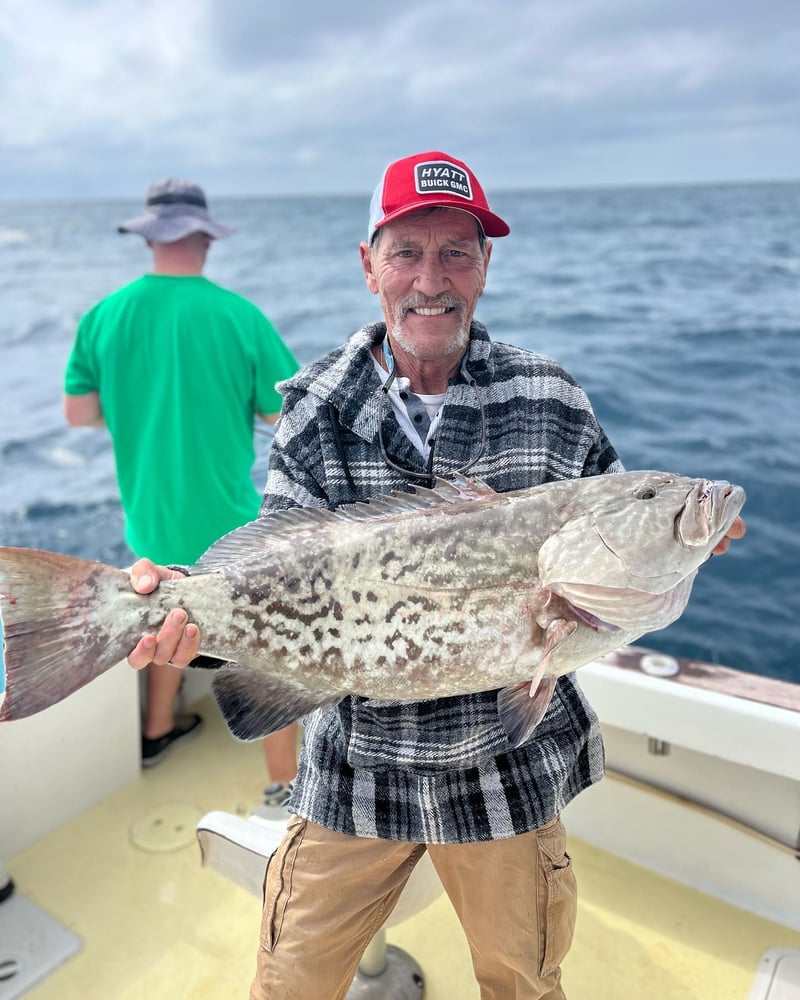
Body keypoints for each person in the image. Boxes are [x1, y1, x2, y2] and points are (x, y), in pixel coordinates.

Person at [124, 152, 746, 998]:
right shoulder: (313, 401)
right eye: (407, 251)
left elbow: (614, 540)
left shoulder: (554, 397)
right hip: (355, 767)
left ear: (485, 266)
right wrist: (185, 623)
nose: (431, 278)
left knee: (522, 982)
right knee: (288, 981)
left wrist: (682, 538)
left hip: (507, 776)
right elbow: (275, 551)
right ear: (368, 263)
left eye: (457, 251)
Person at [63, 178, 300, 795]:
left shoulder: (103, 317)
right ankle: (282, 785)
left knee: (160, 620)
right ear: (205, 239)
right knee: (267, 653)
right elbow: (289, 417)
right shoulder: (238, 316)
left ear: (148, 237)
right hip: (231, 528)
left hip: (149, 522)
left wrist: (136, 405)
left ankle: (158, 732)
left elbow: (77, 413)